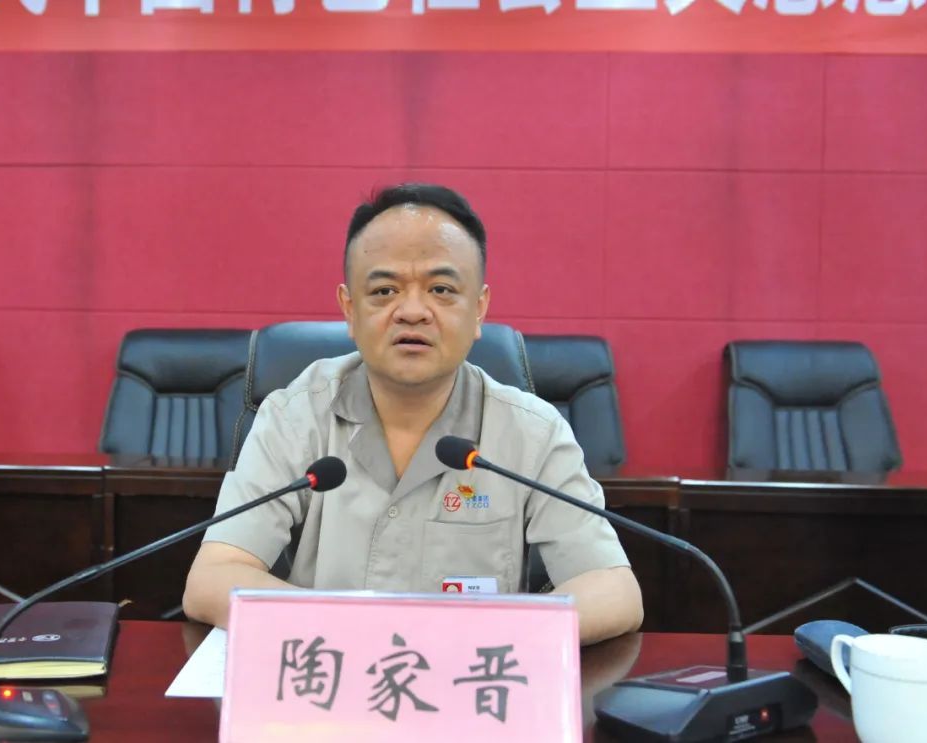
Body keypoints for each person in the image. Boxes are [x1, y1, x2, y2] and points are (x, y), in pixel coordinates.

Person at [183, 183, 643, 645]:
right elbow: (214, 579)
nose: (413, 311)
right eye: (384, 290)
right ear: (349, 309)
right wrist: (359, 634)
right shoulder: (294, 416)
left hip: (471, 678)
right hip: (331, 674)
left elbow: (613, 591)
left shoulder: (532, 432)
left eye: (441, 289)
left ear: (479, 309)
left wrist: (471, 641)